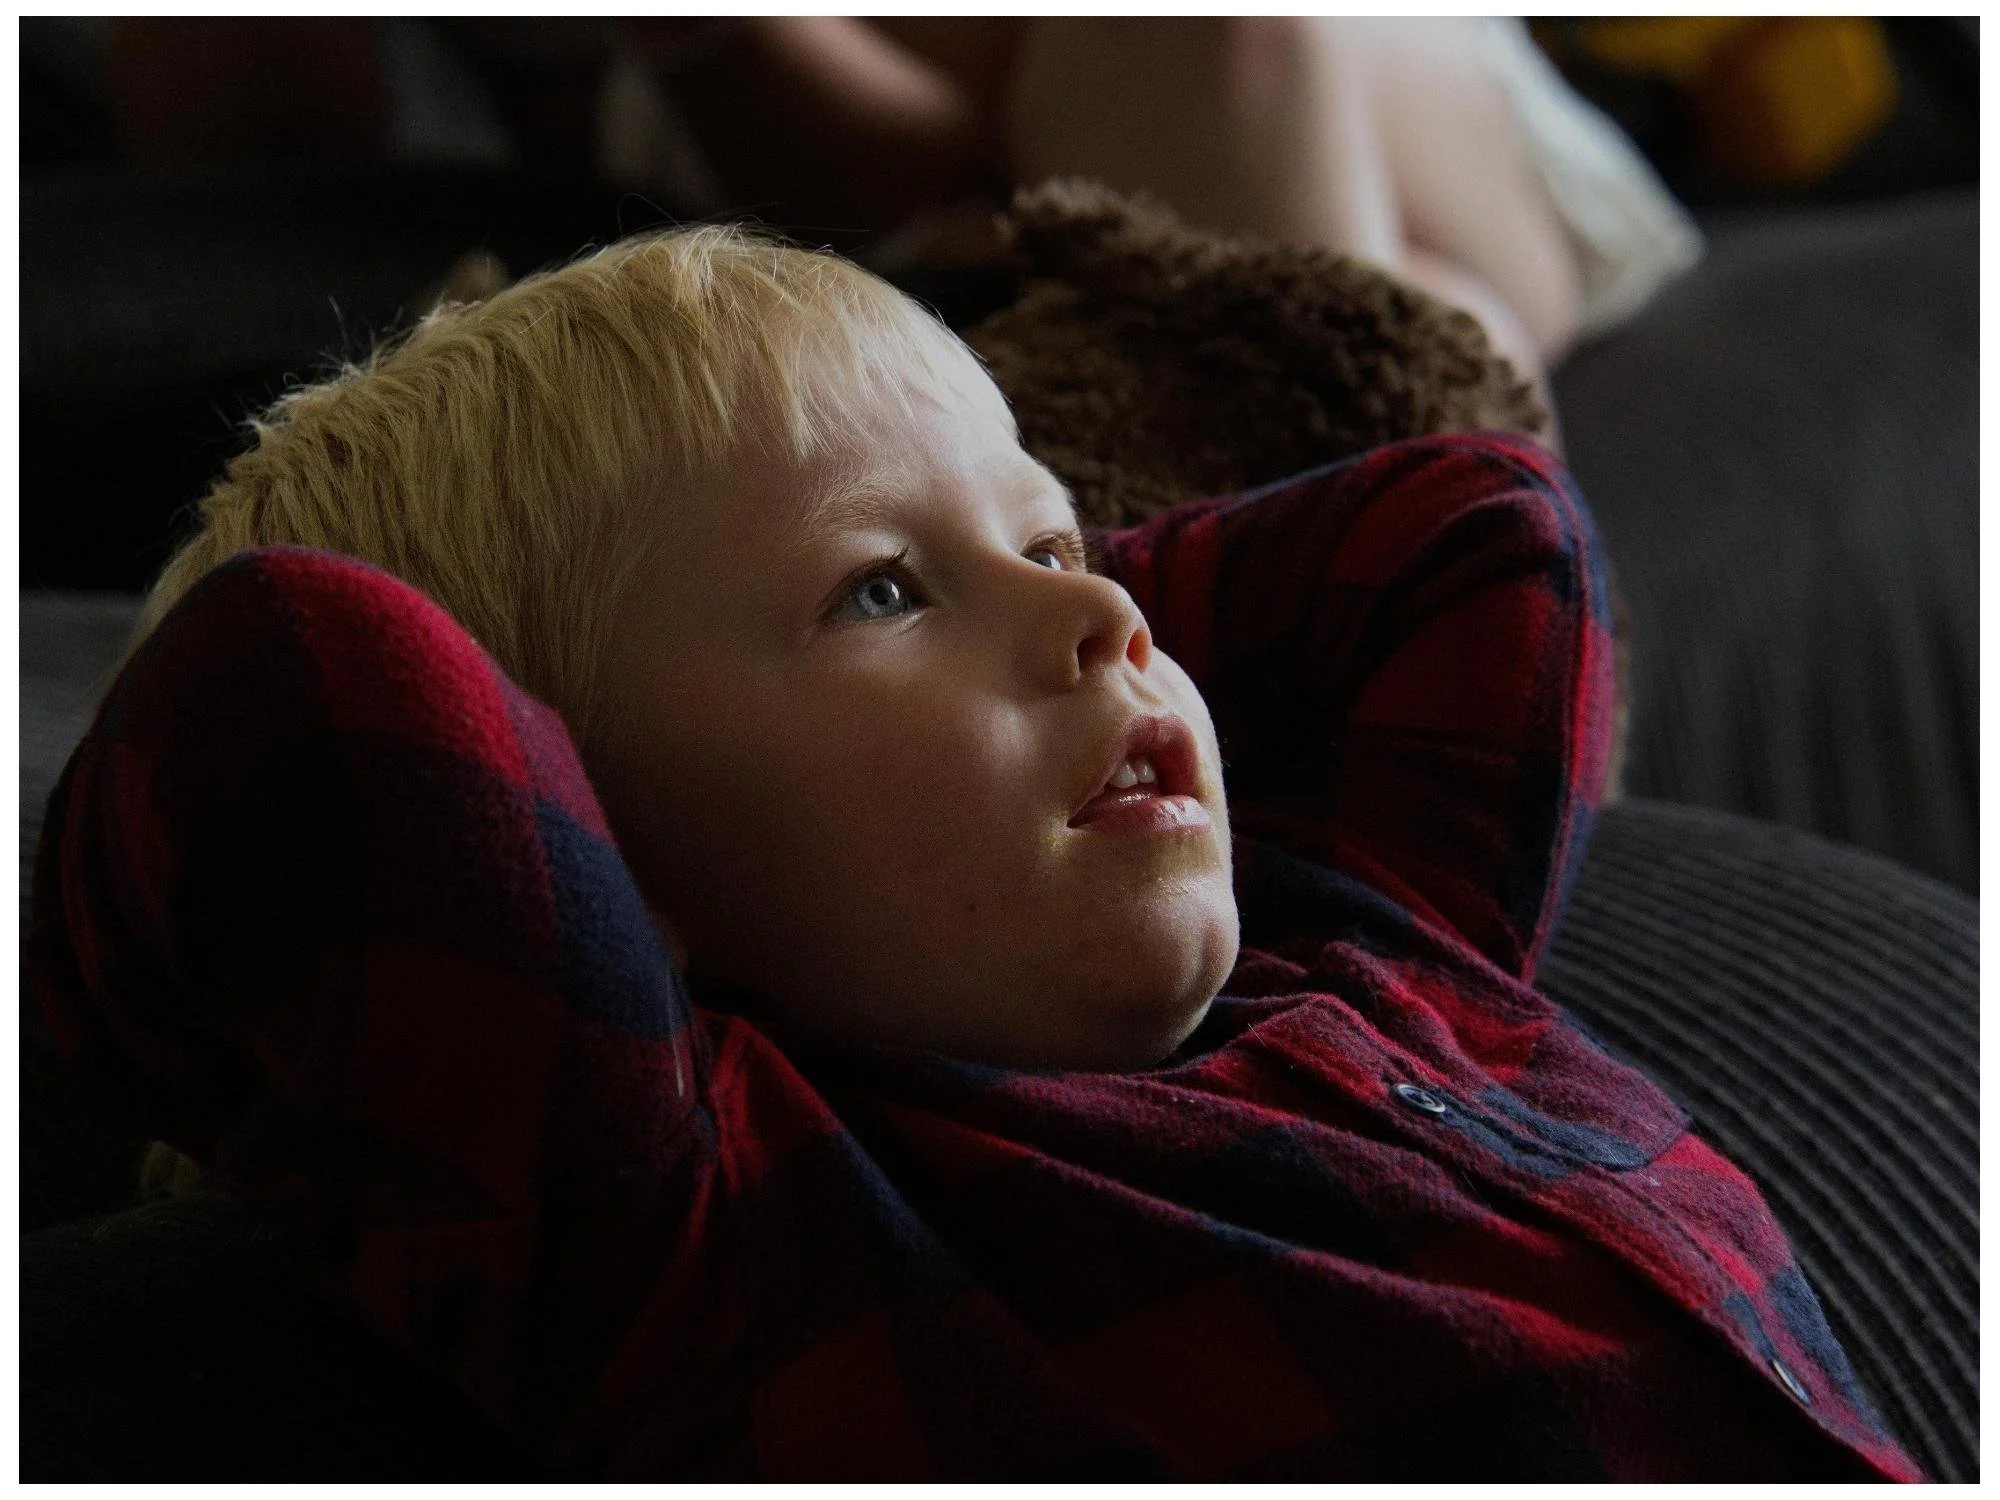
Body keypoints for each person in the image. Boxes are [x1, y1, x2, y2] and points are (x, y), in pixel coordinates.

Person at [32, 227, 1909, 1479]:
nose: (1100, 613)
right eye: (877, 589)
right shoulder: (741, 1229)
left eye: (1068, 534)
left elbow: (1479, 532)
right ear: (584, 864)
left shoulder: (1376, 941)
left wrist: (1015, 608)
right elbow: (288, 688)